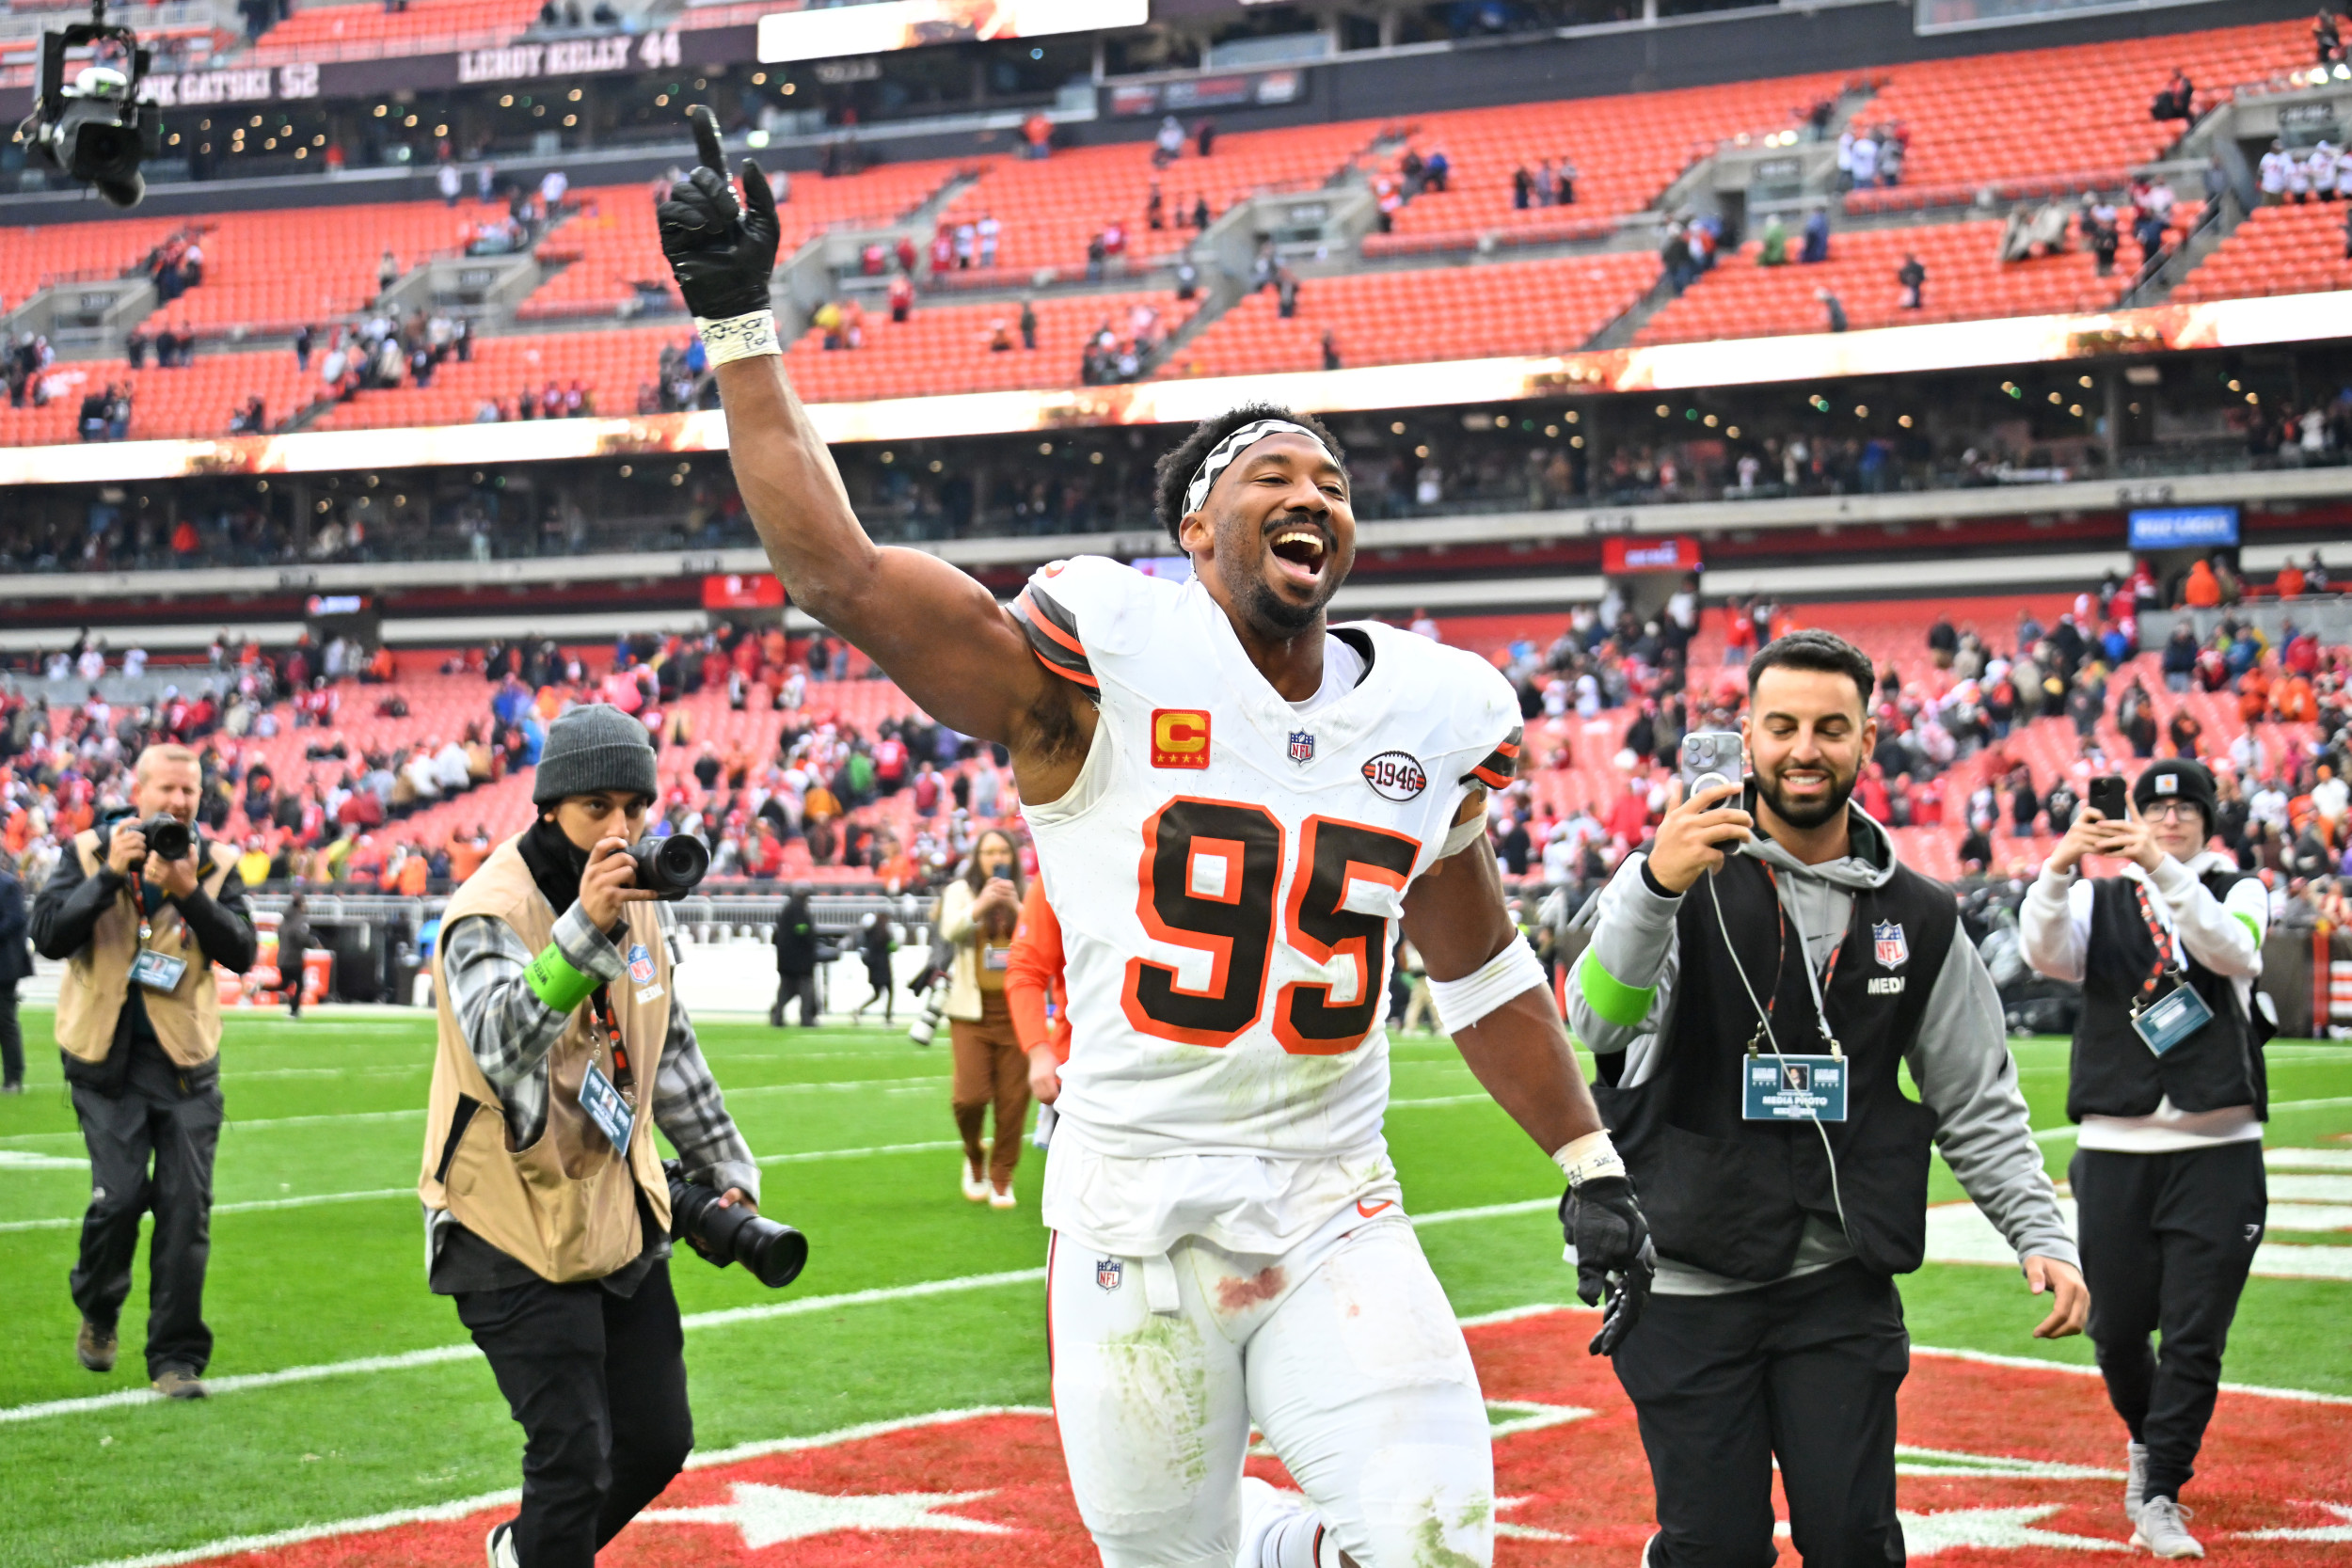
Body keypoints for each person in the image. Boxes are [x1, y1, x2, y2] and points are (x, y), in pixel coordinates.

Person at [655, 103, 1654, 1568]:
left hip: (1335, 1194)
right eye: (1274, 476)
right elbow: (846, 579)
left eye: (1334, 484)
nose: (1314, 494)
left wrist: (1587, 1159)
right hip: (1136, 1203)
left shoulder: (1429, 711)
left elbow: (1483, 963)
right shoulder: (1103, 669)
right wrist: (744, 328)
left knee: (1439, 1541)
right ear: (1195, 530)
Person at [1566, 631, 2086, 1568]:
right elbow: (1595, 1023)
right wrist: (1652, 885)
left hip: (1837, 1279)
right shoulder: (1674, 872)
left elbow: (1975, 1097)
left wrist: (2039, 1233)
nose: (1805, 747)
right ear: (1747, 737)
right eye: (1783, 725)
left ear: (1868, 738)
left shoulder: (1922, 915)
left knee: (1852, 1540)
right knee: (1715, 1547)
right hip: (1685, 1275)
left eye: (1830, 727)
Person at [419, 705, 760, 1568]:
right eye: (596, 808)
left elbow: (667, 1043)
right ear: (548, 808)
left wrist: (725, 1164)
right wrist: (585, 928)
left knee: (655, 1438)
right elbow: (499, 1042)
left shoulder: (645, 903)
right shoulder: (488, 908)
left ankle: (523, 1553)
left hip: (613, 1203)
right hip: (500, 1214)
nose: (620, 829)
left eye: (634, 809)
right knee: (571, 1457)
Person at [2020, 758, 2269, 1560]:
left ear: (2205, 817)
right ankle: (2151, 1444)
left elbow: (2234, 952)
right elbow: (2044, 951)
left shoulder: (2241, 888)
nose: (2168, 819)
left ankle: (2159, 1490)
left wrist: (2159, 869)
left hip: (2218, 1144)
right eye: (2154, 807)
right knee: (2119, 1330)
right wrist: (2061, 865)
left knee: (2196, 1333)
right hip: (2116, 1143)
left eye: (2183, 807)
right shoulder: (2097, 895)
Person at [30, 743, 259, 1398]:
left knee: (187, 1211)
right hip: (104, 1062)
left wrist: (189, 893)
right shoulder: (85, 851)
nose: (180, 802)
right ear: (139, 790)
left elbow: (242, 950)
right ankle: (98, 1305)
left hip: (186, 1065)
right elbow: (47, 934)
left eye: (190, 790)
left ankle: (175, 1359)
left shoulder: (215, 863)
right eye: (168, 789)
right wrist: (108, 877)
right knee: (121, 1197)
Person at [937, 828, 1028, 1207]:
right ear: (977, 857)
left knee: (1013, 1101)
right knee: (969, 1098)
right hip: (971, 1013)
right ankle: (974, 1151)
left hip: (1018, 1012)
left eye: (1002, 850)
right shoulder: (960, 891)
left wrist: (1017, 908)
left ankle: (1002, 1174)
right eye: (988, 851)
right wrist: (981, 905)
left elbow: (1045, 935)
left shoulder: (1029, 890)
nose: (995, 857)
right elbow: (949, 930)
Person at [770, 880, 818, 1026]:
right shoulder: (798, 909)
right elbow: (802, 929)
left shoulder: (788, 908)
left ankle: (777, 1016)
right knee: (805, 989)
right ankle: (806, 1018)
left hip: (786, 958)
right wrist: (811, 940)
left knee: (786, 989)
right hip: (799, 959)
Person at [0, 849, 27, 1092]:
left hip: (4, 966)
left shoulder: (7, 884)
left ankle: (13, 1077)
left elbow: (16, 918)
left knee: (5, 1021)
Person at [847, 910, 898, 1024]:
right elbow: (892, 946)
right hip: (884, 966)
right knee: (889, 991)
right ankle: (887, 1016)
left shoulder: (869, 934)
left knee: (878, 994)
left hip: (874, 967)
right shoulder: (884, 933)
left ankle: (859, 1010)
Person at [277, 890, 312, 1016]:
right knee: (299, 984)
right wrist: (312, 943)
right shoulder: (299, 919)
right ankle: (294, 1009)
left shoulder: (285, 919)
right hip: (293, 958)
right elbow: (300, 937)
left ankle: (261, 987)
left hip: (282, 957)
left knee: (284, 984)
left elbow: (280, 935)